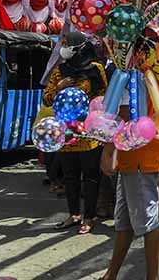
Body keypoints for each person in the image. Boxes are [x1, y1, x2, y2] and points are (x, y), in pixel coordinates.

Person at [43, 32, 108, 235]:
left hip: (88, 134)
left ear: (79, 47)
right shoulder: (60, 71)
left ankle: (89, 216)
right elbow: (47, 99)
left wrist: (90, 112)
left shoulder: (96, 69)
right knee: (70, 177)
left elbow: (103, 95)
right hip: (66, 134)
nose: (63, 48)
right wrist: (60, 88)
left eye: (67, 44)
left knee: (90, 176)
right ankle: (74, 214)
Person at [100, 95, 159, 280]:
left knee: (148, 222)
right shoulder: (146, 76)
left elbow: (121, 118)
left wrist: (108, 151)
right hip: (133, 157)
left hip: (138, 158)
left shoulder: (135, 77)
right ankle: (111, 274)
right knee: (125, 222)